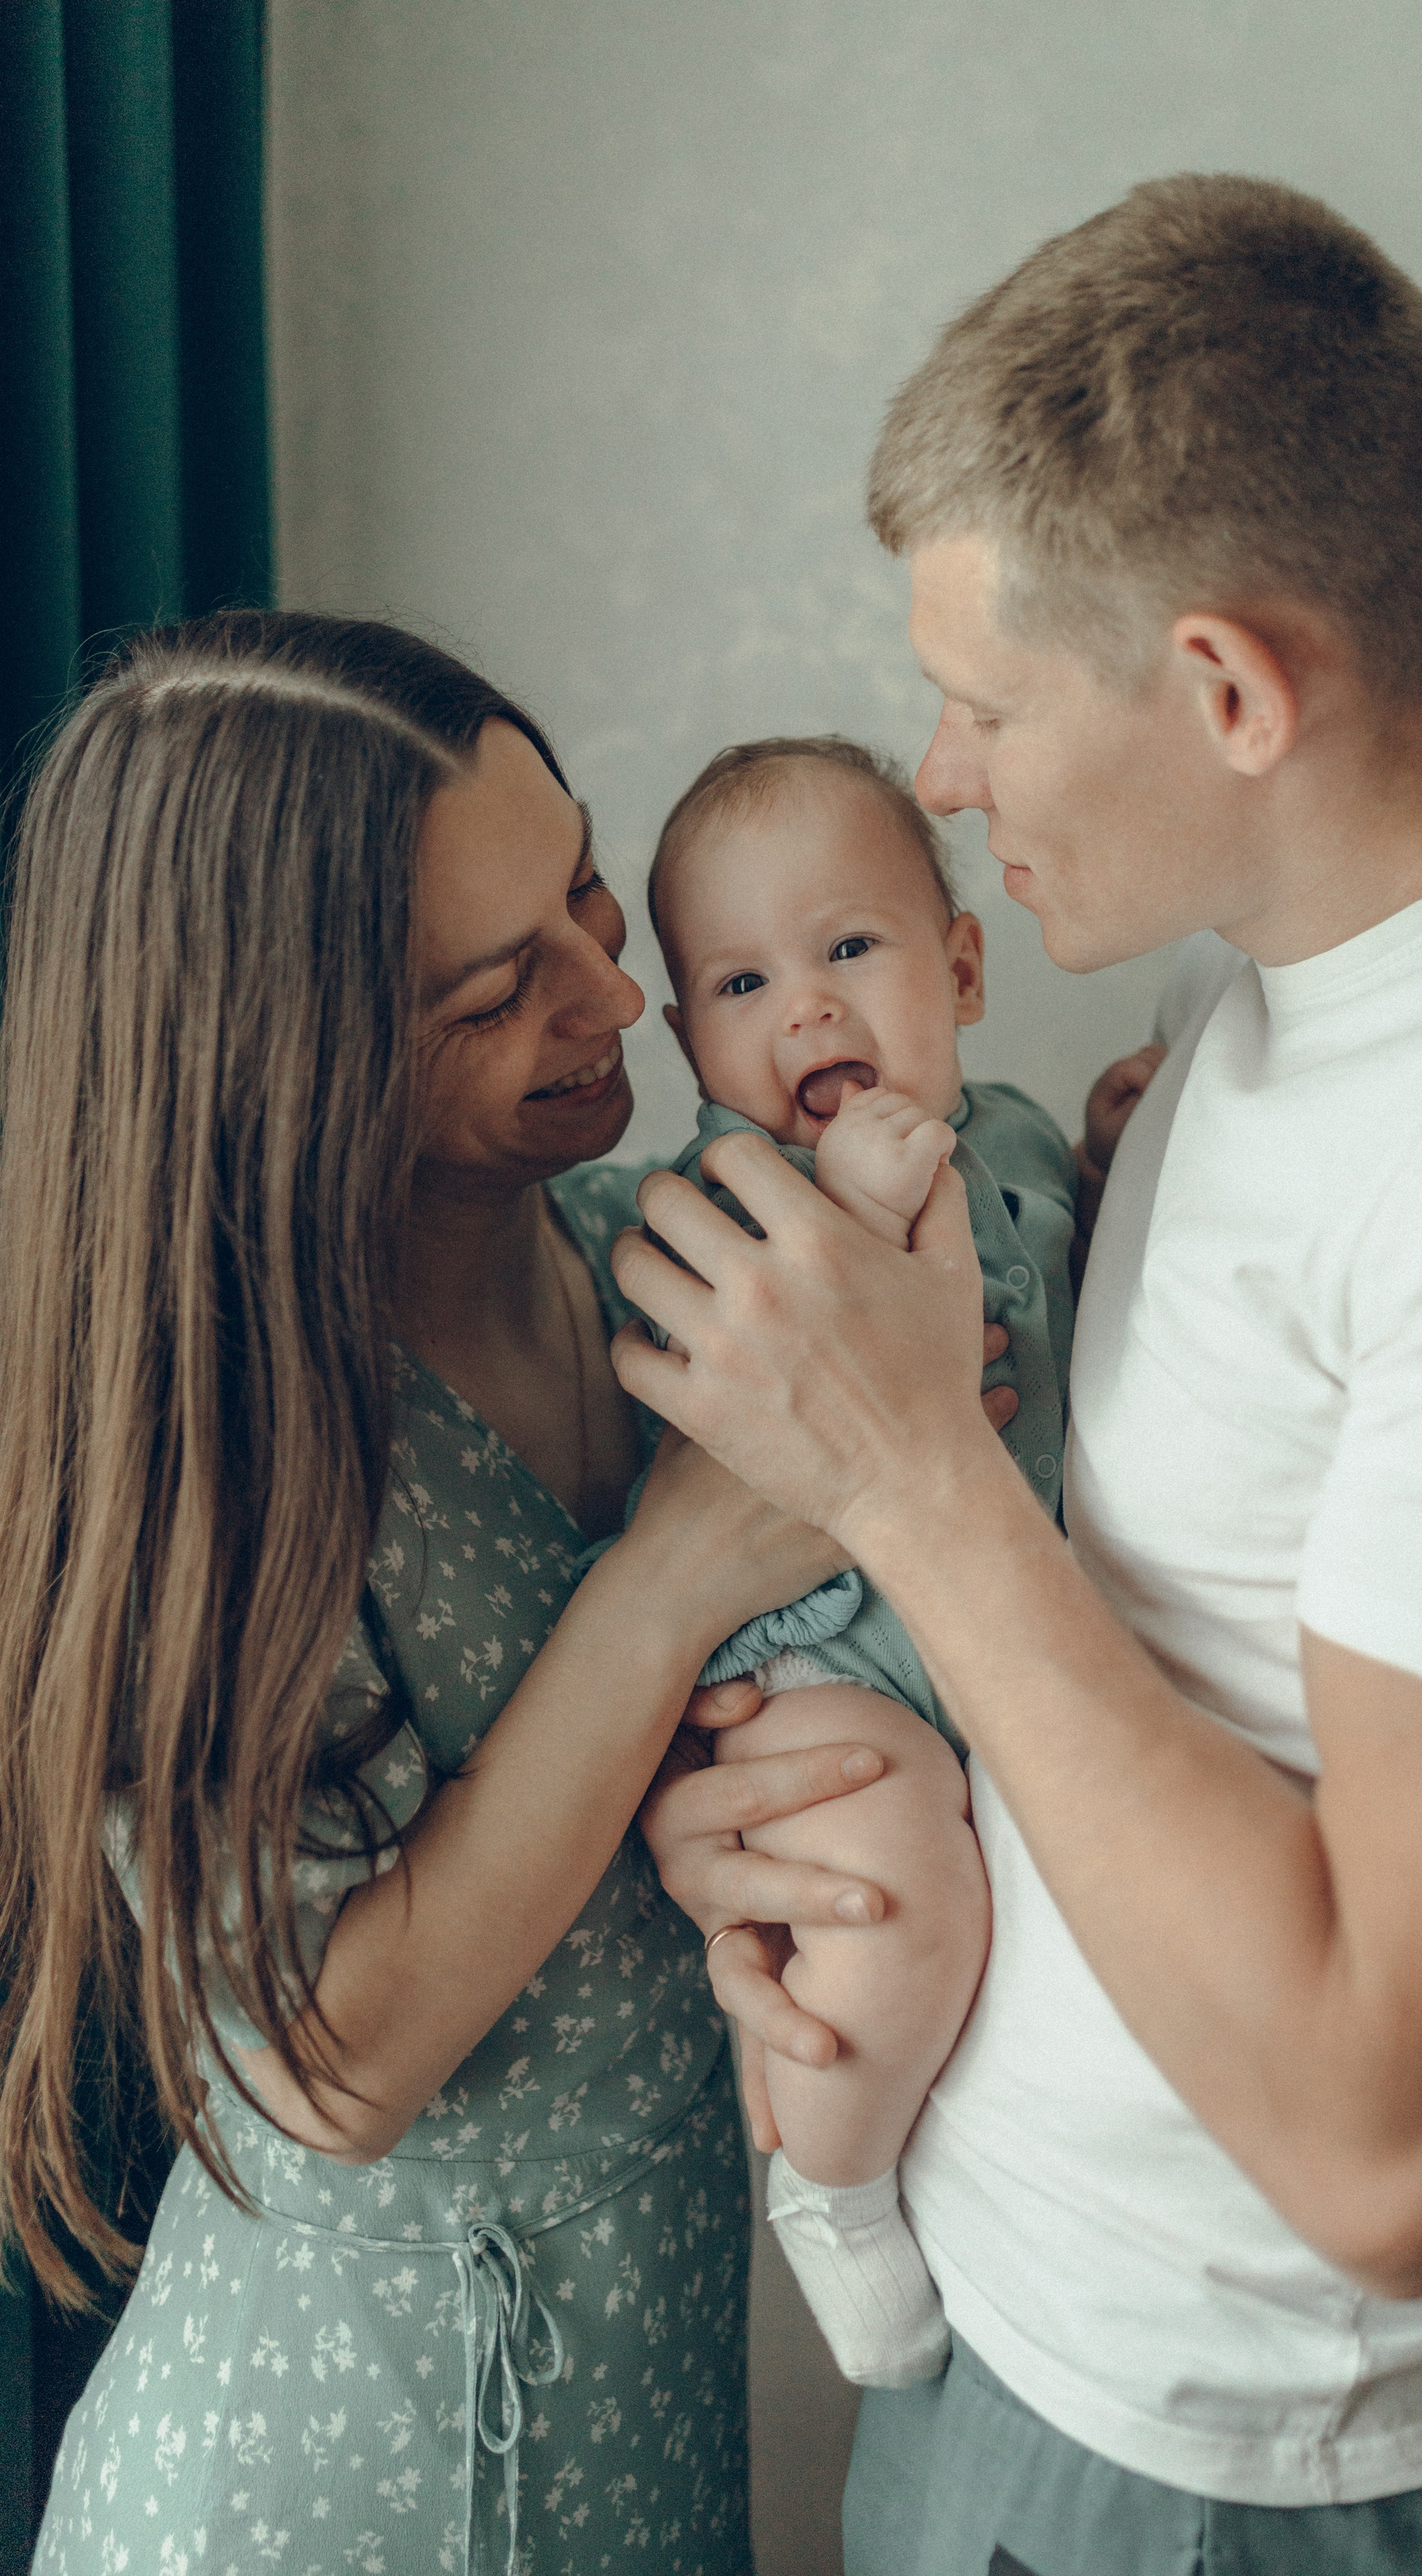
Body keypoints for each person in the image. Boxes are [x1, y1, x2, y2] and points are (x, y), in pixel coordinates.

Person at [618, 176, 1422, 2576]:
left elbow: (1398, 2153)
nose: (951, 768)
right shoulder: (1262, 997)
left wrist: (912, 1485)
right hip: (1021, 2363)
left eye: (991, 702)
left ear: (1228, 690)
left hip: (1243, 2492)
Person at [0, 610, 869, 2576]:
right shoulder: (198, 1452)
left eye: (585, 893)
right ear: (283, 1057)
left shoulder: (642, 1246)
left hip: (639, 2420)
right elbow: (327, 2067)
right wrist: (666, 1584)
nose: (617, 1004)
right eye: (499, 991)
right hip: (333, 2490)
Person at [645, 734, 1141, 2391]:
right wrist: (844, 1213)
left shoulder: (998, 1140)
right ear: (686, 1036)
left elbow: (1069, 1286)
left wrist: (1105, 1154)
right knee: (887, 1903)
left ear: (963, 965)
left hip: (1021, 1634)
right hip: (824, 1658)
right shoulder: (714, 1199)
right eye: (740, 979)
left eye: (848, 948)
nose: (806, 1010)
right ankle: (837, 2194)